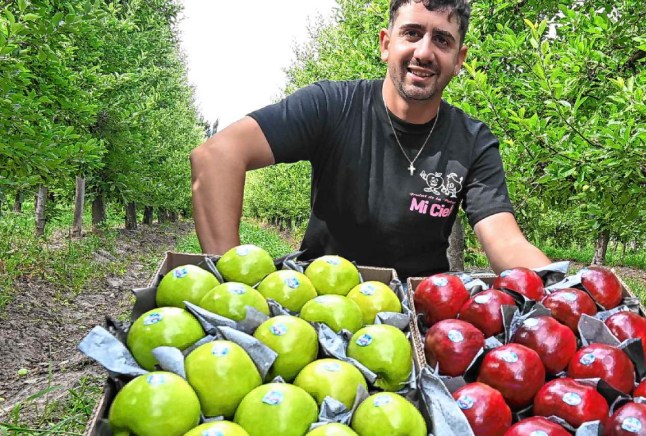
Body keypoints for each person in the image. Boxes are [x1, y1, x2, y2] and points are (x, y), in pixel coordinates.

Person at [190, 0, 551, 279]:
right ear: (385, 44)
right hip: (322, 299)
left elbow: (505, 241)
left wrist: (562, 289)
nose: (424, 52)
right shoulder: (331, 106)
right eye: (412, 33)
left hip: (420, 314)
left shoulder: (472, 141)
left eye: (442, 40)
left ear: (459, 59)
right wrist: (228, 285)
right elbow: (217, 156)